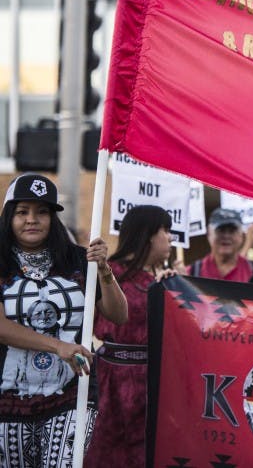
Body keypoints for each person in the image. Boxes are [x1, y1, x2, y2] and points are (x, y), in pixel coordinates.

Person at [0, 173, 128, 465]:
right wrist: (58, 346)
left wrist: (105, 271)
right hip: (7, 397)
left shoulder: (78, 259)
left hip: (73, 392)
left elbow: (119, 314)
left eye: (41, 212)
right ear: (8, 217)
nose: (32, 219)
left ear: (53, 218)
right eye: (22, 212)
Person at [85, 205, 176, 467]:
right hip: (109, 383)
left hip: (152, 385)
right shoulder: (106, 272)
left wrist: (175, 291)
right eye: (165, 230)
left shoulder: (163, 282)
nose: (170, 238)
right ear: (148, 234)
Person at [187, 208, 253, 282]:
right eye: (221, 230)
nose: (226, 236)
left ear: (241, 235)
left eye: (232, 231)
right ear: (209, 233)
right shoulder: (190, 274)